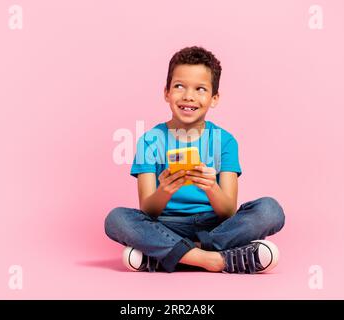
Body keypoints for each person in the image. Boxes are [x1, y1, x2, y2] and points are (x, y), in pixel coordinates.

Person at [105, 46, 285, 274]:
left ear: (214, 98)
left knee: (269, 211)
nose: (188, 96)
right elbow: (148, 211)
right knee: (116, 219)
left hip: (215, 225)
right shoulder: (150, 140)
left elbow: (228, 212)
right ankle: (216, 260)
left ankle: (171, 256)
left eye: (200, 89)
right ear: (166, 93)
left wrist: (211, 188)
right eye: (179, 86)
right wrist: (166, 190)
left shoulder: (225, 141)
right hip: (165, 225)